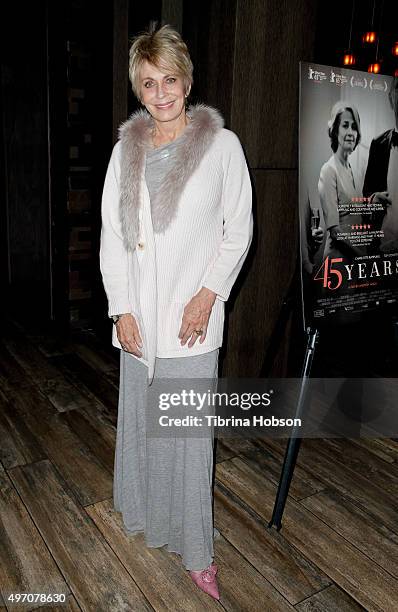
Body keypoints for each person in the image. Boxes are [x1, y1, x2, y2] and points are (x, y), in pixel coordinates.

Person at [99, 24, 253, 601]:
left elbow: (238, 232)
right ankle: (148, 519)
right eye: (148, 82)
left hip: (192, 319)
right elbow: (113, 238)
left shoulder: (223, 146)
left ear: (187, 80)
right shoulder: (125, 151)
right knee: (143, 424)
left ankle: (197, 551)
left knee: (188, 437)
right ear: (138, 90)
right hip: (139, 320)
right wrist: (120, 310)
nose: (161, 93)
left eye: (169, 79)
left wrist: (208, 294)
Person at [318, 101, 363, 263]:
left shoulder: (355, 171)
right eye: (345, 126)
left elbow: (356, 212)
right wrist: (364, 257)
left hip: (356, 263)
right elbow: (336, 232)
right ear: (335, 130)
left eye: (354, 127)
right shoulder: (329, 170)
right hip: (338, 263)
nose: (351, 132)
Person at [363, 76, 398, 253]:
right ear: (391, 98)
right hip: (382, 251)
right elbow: (366, 194)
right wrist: (372, 200)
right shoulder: (378, 144)